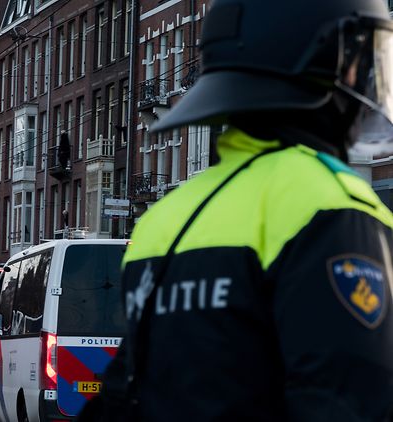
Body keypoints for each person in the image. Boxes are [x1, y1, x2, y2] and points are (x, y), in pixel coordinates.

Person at [83, 0, 393, 420]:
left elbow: (122, 398)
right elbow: (348, 399)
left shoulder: (165, 219)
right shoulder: (333, 205)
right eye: (361, 57)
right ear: (323, 63)